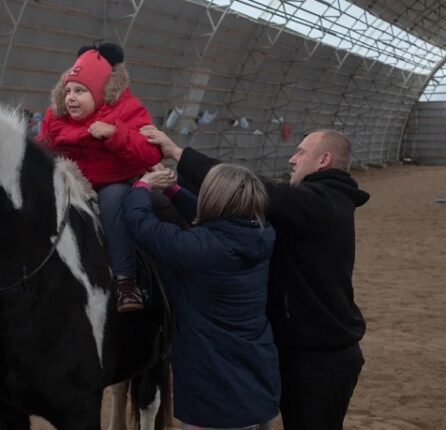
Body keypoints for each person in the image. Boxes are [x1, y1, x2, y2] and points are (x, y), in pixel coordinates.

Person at [143, 127, 368, 430]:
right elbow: (235, 210)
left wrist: (177, 153)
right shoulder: (321, 202)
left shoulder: (319, 203)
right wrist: (174, 188)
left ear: (324, 160)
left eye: (301, 152)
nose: (292, 159)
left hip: (319, 360)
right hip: (310, 351)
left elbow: (244, 188)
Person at [122, 164, 280, 429]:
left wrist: (142, 186)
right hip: (257, 382)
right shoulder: (263, 234)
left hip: (215, 393)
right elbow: (220, 220)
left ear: (213, 199)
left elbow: (140, 223)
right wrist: (172, 190)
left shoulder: (199, 248)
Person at [37, 42, 161, 312]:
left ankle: (125, 281)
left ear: (102, 92)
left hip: (113, 181)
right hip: (72, 182)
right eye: (68, 91)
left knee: (114, 199)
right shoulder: (55, 116)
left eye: (80, 91)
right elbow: (41, 149)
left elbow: (151, 152)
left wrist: (116, 134)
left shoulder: (128, 110)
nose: (71, 98)